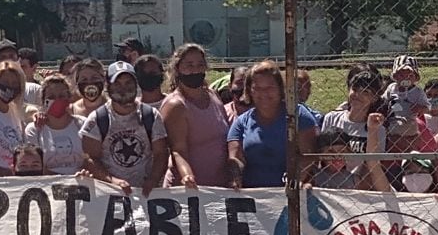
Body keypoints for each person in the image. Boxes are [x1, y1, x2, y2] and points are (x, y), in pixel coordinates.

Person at [80, 61, 169, 195]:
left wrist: (153, 180)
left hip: (146, 193)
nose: (123, 88)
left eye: (128, 83)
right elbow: (89, 157)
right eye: (117, 84)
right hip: (110, 193)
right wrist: (112, 181)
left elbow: (161, 153)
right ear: (108, 86)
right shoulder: (97, 119)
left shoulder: (151, 115)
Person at [227, 61, 318, 189]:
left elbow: (308, 155)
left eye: (270, 88)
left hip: (293, 193)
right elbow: (235, 157)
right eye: (257, 88)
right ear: (249, 90)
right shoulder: (241, 122)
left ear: (281, 89)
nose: (263, 93)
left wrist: (295, 179)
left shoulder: (298, 115)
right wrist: (236, 177)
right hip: (254, 197)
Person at [160, 44, 230, 189]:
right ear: (178, 69)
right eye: (189, 65)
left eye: (200, 65)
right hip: (189, 190)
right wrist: (187, 175)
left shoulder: (213, 96)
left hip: (220, 188)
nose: (195, 70)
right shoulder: (176, 105)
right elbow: (178, 150)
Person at [321, 64, 391, 190]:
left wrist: (372, 130)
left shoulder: (377, 128)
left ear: (374, 98)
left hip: (361, 185)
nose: (358, 95)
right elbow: (320, 156)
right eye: (355, 89)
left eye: (366, 92)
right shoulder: (331, 118)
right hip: (330, 181)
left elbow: (373, 167)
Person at [24, 73, 87, 176]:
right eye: (51, 97)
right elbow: (35, 165)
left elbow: (90, 158)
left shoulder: (82, 124)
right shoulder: (34, 130)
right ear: (43, 101)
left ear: (69, 98)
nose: (57, 100)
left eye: (61, 96)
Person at [310, 117, 389, 191]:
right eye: (330, 151)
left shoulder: (353, 180)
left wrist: (372, 130)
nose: (337, 156)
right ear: (321, 153)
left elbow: (372, 160)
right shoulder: (313, 175)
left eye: (342, 151)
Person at [384, 56, 428, 122]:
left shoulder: (418, 92)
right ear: (395, 76)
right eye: (401, 75)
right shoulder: (392, 87)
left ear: (416, 78)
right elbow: (384, 100)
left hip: (410, 121)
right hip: (392, 121)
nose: (406, 79)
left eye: (410, 76)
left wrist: (420, 108)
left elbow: (427, 107)